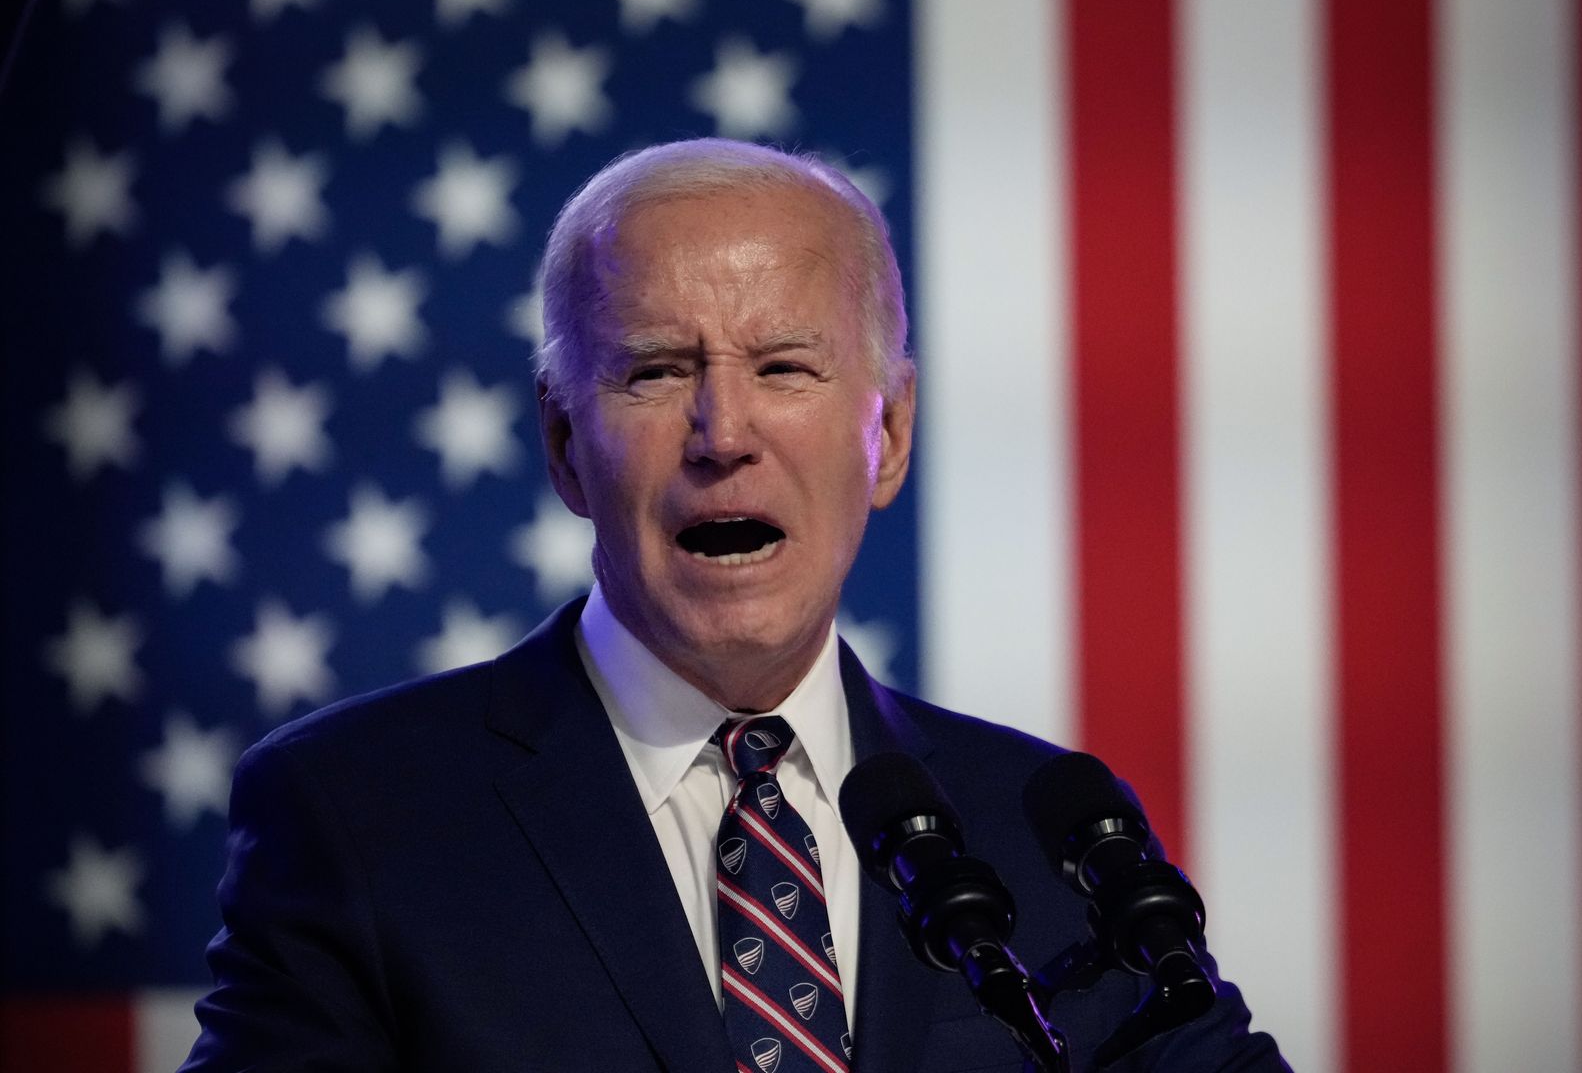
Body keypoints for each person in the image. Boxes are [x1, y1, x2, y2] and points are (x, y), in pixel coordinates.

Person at [182, 138, 1287, 1072]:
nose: (723, 434)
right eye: (657, 371)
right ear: (566, 444)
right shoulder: (356, 814)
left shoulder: (1046, 830)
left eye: (786, 369)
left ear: (889, 434)